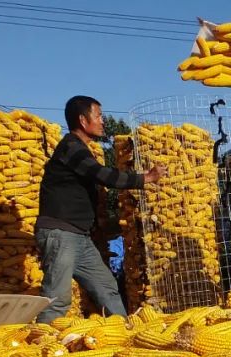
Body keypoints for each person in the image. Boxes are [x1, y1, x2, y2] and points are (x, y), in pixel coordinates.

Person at [34, 95, 166, 323]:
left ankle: (122, 334)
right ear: (83, 120)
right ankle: (42, 343)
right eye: (99, 116)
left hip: (79, 237)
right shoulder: (71, 148)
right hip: (61, 235)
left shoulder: (79, 149)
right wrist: (145, 178)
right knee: (57, 299)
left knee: (106, 287)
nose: (103, 121)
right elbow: (102, 175)